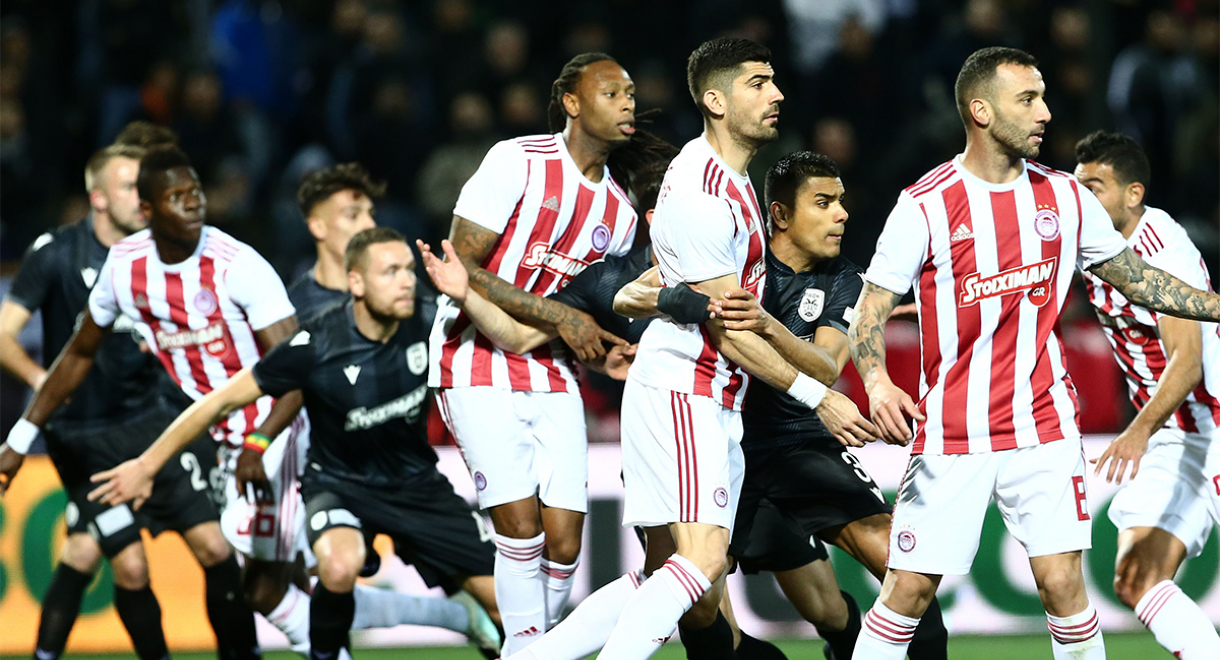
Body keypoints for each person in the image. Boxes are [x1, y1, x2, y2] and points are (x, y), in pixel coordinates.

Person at [847, 46, 1220, 660]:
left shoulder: (1065, 197)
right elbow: (870, 309)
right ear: (981, 111)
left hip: (1043, 424)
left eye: (1043, 97)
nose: (1045, 112)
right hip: (953, 429)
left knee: (1064, 585)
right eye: (1027, 99)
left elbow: (1140, 281)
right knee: (908, 590)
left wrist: (1217, 305)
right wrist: (878, 381)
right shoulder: (926, 203)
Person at [90, 227, 502, 660]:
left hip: (419, 486)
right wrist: (148, 464)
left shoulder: (430, 322)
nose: (406, 281)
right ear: (357, 282)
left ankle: (468, 621)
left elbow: (505, 341)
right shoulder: (317, 341)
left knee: (504, 604)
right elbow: (219, 402)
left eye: (408, 270)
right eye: (391, 271)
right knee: (332, 568)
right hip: (341, 485)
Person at [429, 51, 664, 653]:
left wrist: (600, 351)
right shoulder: (517, 161)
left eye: (631, 93)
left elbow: (580, 308)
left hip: (552, 368)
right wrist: (560, 315)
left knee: (563, 544)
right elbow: (462, 264)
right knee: (520, 527)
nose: (628, 103)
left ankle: (527, 649)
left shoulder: (619, 211)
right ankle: (527, 647)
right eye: (612, 93)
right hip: (473, 355)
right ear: (571, 102)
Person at [3, 146, 277, 659]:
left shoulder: (168, 259)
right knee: (125, 566)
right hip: (82, 437)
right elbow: (23, 340)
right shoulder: (60, 254)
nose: (137, 197)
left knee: (213, 546)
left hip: (151, 423)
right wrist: (38, 400)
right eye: (128, 187)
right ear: (100, 198)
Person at [229, 164, 501, 656]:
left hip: (407, 471)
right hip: (324, 468)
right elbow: (289, 381)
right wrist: (260, 438)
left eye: (371, 212)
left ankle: (461, 614)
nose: (368, 222)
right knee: (293, 582)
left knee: (489, 594)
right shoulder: (299, 306)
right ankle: (451, 616)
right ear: (318, 227)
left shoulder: (401, 296)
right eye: (353, 214)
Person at [1075, 131, 1220, 660]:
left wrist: (1137, 432)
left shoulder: (1162, 250)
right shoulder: (1088, 243)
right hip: (1177, 435)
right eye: (1078, 186)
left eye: (1095, 187)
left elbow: (1187, 360)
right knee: (1136, 576)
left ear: (1132, 194)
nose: (1081, 198)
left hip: (1209, 423)